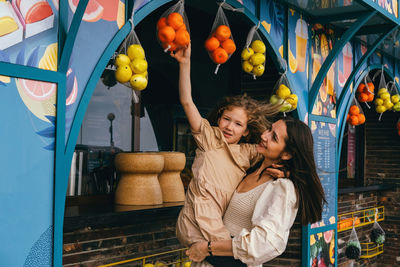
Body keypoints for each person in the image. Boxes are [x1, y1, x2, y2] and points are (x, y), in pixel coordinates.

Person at [170, 44, 282, 247]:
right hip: (196, 220)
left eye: (238, 124)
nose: (229, 127)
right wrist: (184, 64)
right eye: (226, 119)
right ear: (219, 118)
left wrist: (286, 173)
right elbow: (187, 101)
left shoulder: (248, 152)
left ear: (246, 131)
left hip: (219, 223)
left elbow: (276, 154)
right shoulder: (210, 139)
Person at [186, 117, 326, 267]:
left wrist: (207, 248)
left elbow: (265, 243)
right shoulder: (250, 166)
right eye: (269, 129)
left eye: (274, 137)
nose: (264, 136)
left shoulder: (282, 188)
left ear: (286, 154)